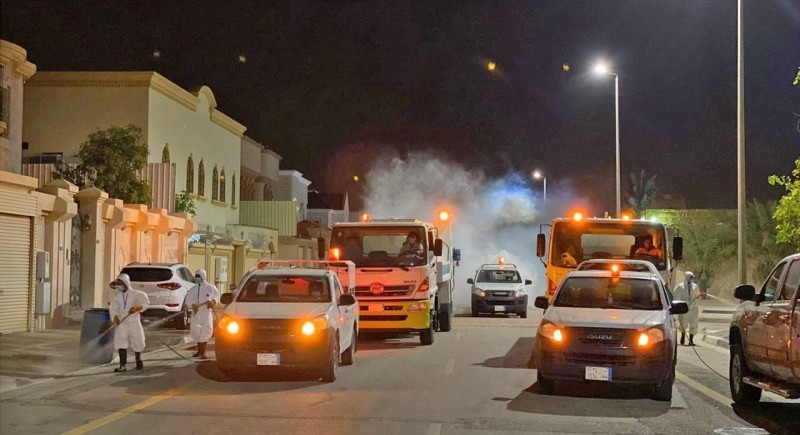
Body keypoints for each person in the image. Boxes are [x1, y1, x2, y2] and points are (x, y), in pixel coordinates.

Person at [109, 273, 149, 372]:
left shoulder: (137, 294)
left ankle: (138, 360)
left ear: (126, 283)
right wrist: (115, 317)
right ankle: (122, 365)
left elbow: (145, 303)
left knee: (138, 341)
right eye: (118, 284)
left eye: (121, 284)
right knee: (121, 342)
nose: (119, 286)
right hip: (122, 323)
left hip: (134, 321)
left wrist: (138, 308)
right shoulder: (116, 298)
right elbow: (113, 309)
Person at [184, 269, 221, 359]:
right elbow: (188, 300)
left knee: (205, 331)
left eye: (198, 276)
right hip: (196, 314)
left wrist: (213, 301)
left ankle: (203, 352)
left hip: (206, 314)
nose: (197, 278)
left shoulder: (210, 288)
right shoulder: (192, 289)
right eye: (196, 276)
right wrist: (192, 305)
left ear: (203, 276)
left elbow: (217, 296)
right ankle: (199, 351)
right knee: (196, 331)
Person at [672, 271, 706, 346]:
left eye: (692, 277)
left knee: (694, 324)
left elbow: (697, 296)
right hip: (684, 309)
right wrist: (680, 306)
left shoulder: (695, 286)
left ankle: (691, 340)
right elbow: (676, 297)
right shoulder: (680, 287)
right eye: (690, 277)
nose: (691, 279)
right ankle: (683, 336)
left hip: (693, 308)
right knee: (683, 323)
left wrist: (699, 296)